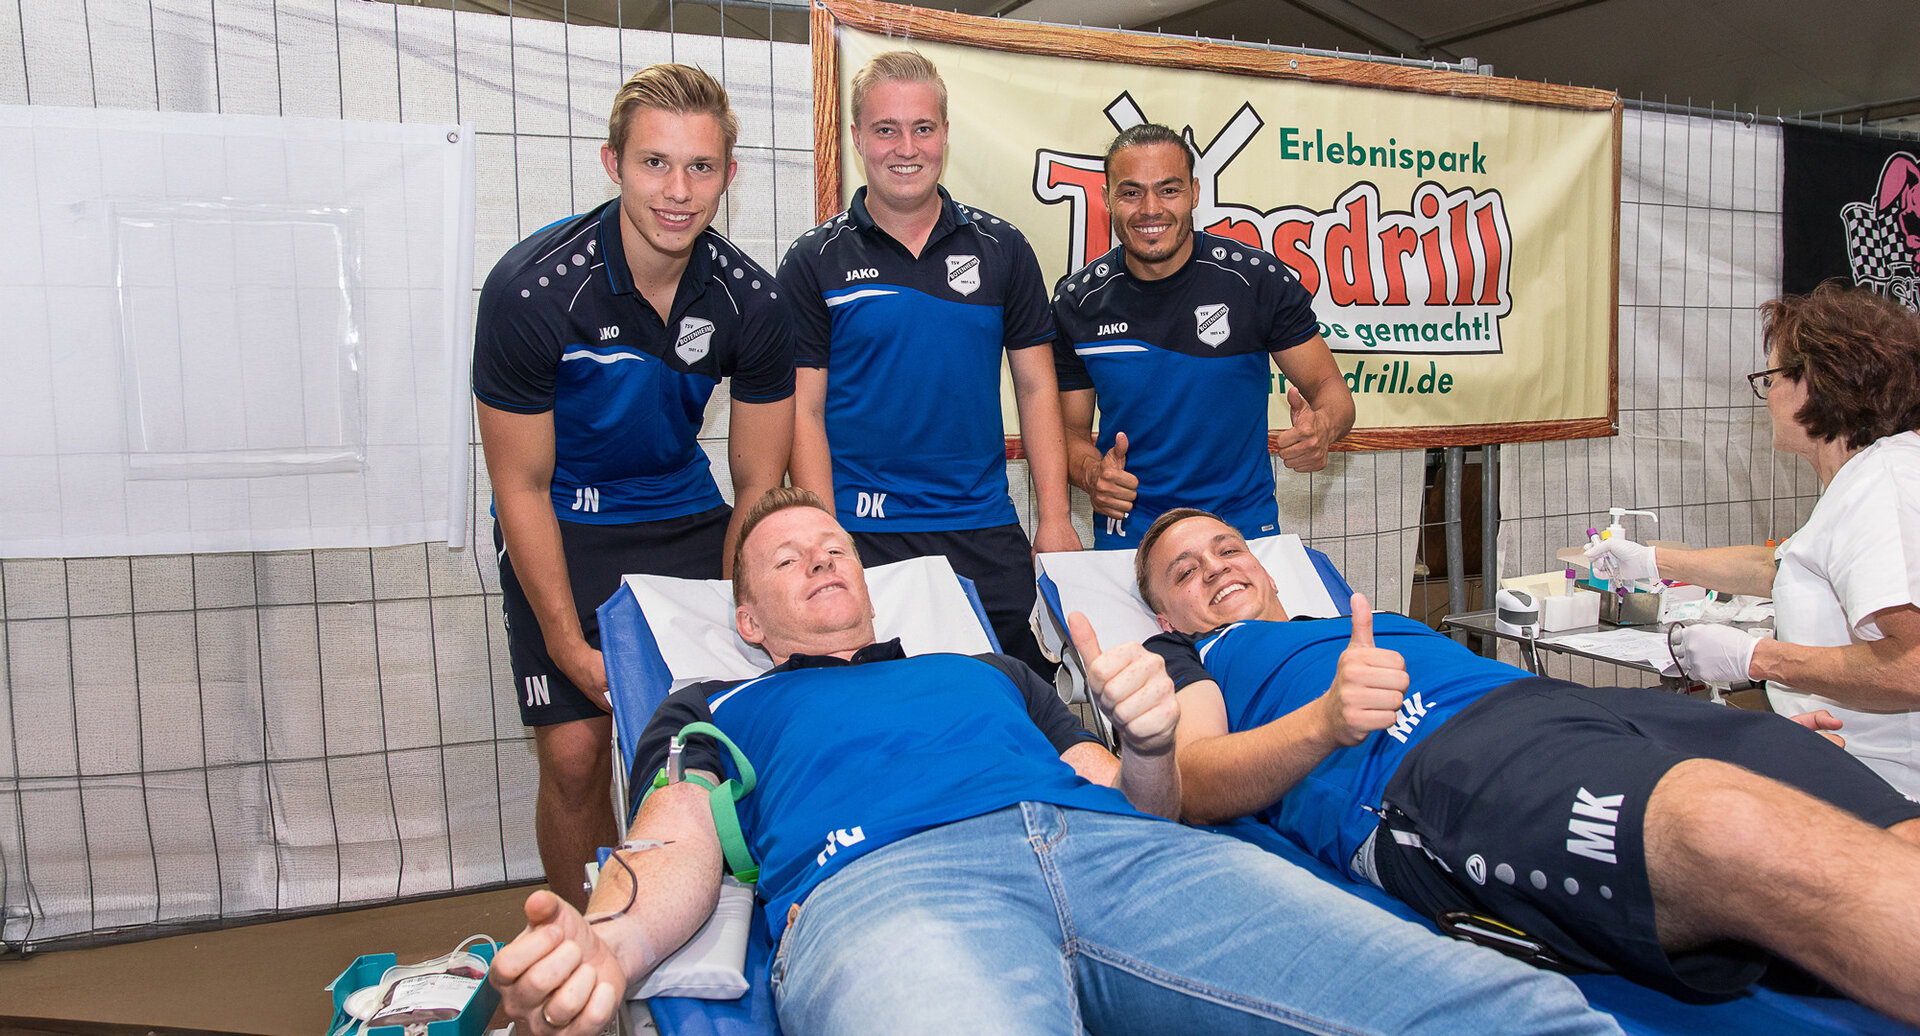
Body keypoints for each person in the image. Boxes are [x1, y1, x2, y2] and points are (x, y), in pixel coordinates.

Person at [487, 488, 1617, 1036]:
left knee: (1508, 1011)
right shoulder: (716, 702)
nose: (823, 560)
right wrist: (612, 941)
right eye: (790, 559)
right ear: (747, 618)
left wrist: (1152, 742)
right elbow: (672, 840)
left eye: (834, 545)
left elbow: (1146, 800)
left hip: (1119, 853)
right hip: (889, 886)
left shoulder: (985, 670)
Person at [1134, 508, 1920, 1021]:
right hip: (1438, 763)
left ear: (1266, 567)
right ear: (1166, 613)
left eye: (1227, 549)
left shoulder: (1358, 620)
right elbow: (1189, 783)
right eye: (1185, 571)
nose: (1216, 567)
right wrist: (1323, 722)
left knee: (1868, 817)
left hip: (1579, 712)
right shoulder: (1190, 656)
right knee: (1730, 827)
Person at [473, 64, 795, 908]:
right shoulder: (531, 291)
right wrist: (567, 644)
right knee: (577, 754)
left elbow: (758, 481)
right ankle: (590, 944)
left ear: (729, 174)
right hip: (563, 517)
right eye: (655, 163)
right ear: (612, 163)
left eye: (701, 167)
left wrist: (739, 610)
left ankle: (709, 927)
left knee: (715, 739)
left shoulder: (753, 301)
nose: (678, 192)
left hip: (683, 514)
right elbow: (520, 485)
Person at [777, 50, 1079, 676]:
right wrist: (826, 539)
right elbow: (803, 411)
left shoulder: (1004, 249)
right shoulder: (814, 260)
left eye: (922, 128)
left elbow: (1035, 388)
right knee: (882, 713)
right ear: (857, 137)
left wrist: (1054, 519)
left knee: (1016, 705)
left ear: (945, 132)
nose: (906, 148)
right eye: (886, 129)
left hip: (983, 527)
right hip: (865, 534)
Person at [1588, 283, 1920, 799]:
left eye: (1771, 378)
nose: (1766, 396)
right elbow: (1782, 567)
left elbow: (1913, 666)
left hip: (1889, 790)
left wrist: (1758, 658)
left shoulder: (1884, 486)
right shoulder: (1872, 475)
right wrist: (1653, 560)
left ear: (1814, 383)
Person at [1052, 123, 1354, 549]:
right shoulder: (1077, 302)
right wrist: (1091, 474)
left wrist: (1322, 428)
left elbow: (1331, 390)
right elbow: (1067, 432)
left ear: (1194, 192)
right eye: (1131, 192)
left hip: (1242, 531)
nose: (1151, 209)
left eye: (1169, 190)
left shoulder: (1255, 281)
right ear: (1107, 199)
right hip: (1131, 536)